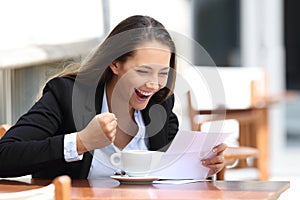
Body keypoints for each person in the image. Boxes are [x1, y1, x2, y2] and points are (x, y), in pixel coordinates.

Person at [0, 15, 226, 179]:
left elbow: (169, 172)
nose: (154, 84)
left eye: (163, 73)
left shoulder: (161, 105)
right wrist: (80, 142)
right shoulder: (67, 95)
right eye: (143, 71)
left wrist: (202, 166)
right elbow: (4, 157)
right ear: (115, 64)